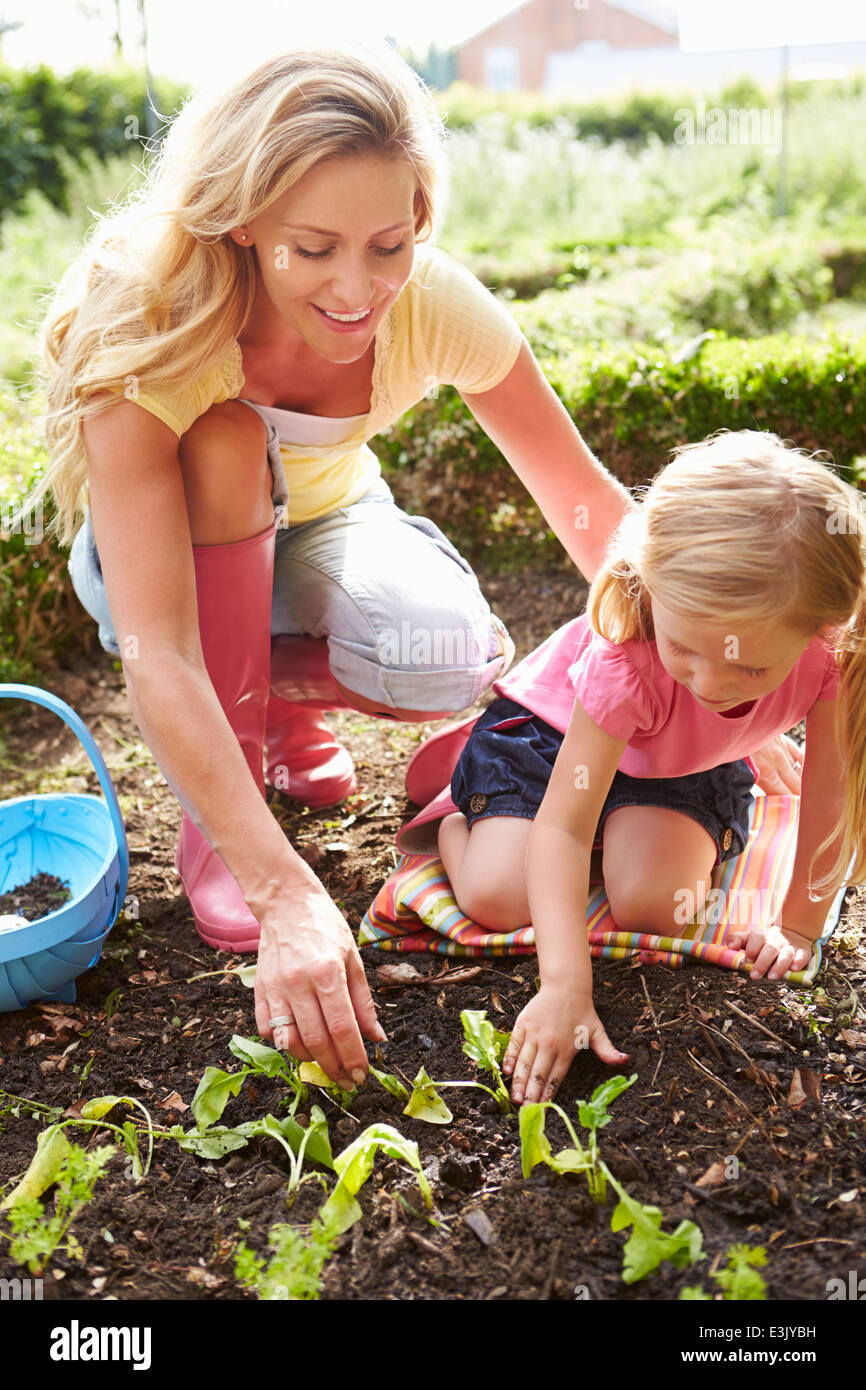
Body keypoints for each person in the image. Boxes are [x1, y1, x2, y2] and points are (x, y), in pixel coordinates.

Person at [21, 44, 803, 1089]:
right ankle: (231, 811)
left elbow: (582, 504)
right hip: (160, 563)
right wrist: (284, 890)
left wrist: (708, 677)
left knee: (446, 654)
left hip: (327, 526)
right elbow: (159, 652)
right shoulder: (148, 321)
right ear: (242, 218)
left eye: (388, 244)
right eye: (314, 249)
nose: (358, 290)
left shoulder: (430, 303)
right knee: (218, 447)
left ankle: (279, 719)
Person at [438, 430, 866, 1105]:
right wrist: (565, 987)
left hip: (676, 763)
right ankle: (456, 818)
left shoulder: (831, 653)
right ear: (649, 590)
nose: (711, 681)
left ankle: (622, 835)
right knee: (497, 898)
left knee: (657, 907)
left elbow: (829, 801)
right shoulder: (626, 659)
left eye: (749, 668)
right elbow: (564, 826)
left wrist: (796, 928)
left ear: (822, 628)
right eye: (685, 647)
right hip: (552, 746)